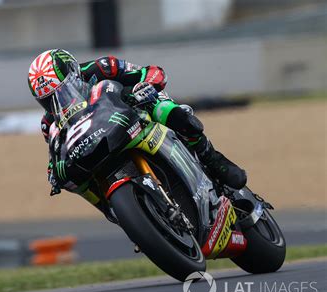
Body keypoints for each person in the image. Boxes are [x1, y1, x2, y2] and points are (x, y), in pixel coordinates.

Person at [28, 49, 247, 202]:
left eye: (64, 90)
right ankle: (114, 211)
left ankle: (212, 158)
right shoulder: (49, 124)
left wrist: (146, 86)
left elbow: (152, 72)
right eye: (49, 99)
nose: (58, 101)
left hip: (137, 108)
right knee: (74, 179)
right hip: (104, 138)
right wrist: (54, 173)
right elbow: (57, 154)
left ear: (73, 72)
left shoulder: (102, 68)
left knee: (168, 111)